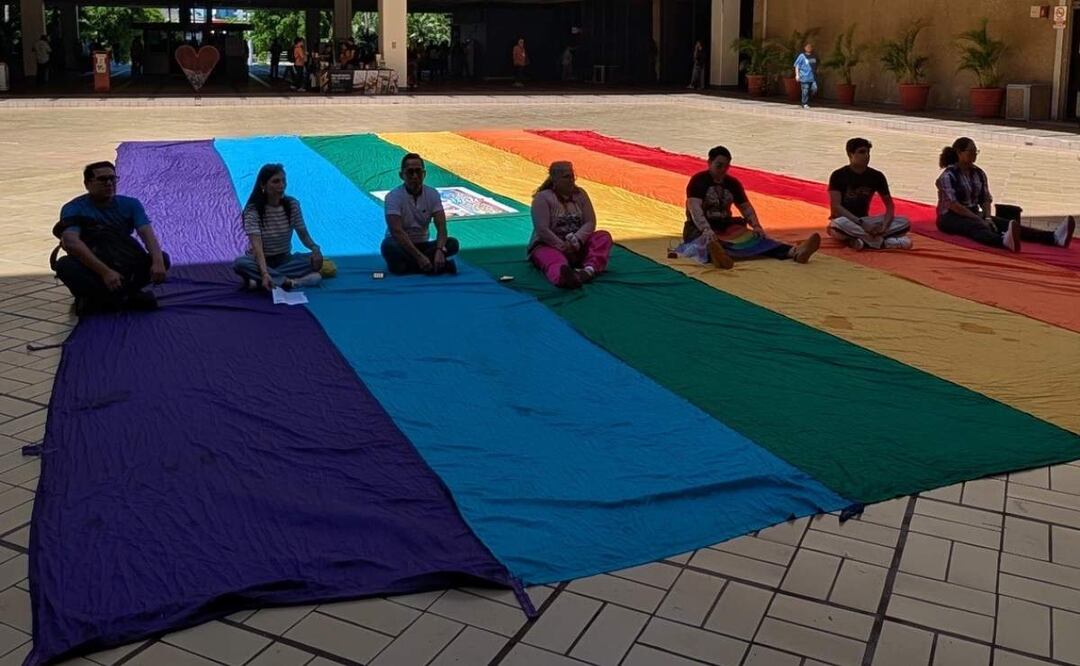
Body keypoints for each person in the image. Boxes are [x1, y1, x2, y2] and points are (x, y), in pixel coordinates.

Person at [52, 162, 170, 314]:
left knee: (163, 258)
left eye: (112, 179)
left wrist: (158, 262)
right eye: (102, 179)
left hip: (123, 261)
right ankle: (120, 297)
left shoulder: (130, 204)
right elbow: (71, 242)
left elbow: (147, 233)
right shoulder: (73, 208)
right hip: (92, 265)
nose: (109, 183)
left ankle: (108, 299)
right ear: (88, 184)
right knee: (64, 265)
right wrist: (105, 272)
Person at [685, 146, 821, 268]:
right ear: (709, 163)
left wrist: (756, 226)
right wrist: (706, 229)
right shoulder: (698, 181)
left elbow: (745, 207)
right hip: (699, 228)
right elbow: (694, 208)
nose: (723, 170)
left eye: (726, 166)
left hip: (726, 226)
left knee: (757, 239)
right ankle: (718, 257)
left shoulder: (733, 183)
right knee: (706, 242)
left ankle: (794, 252)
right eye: (719, 166)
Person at [936, 137, 1074, 252]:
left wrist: (988, 217)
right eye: (971, 151)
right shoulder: (948, 176)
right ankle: (1002, 241)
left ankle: (1053, 237)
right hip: (950, 216)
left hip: (973, 212)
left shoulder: (978, 173)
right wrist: (979, 219)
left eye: (976, 151)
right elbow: (954, 205)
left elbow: (985, 199)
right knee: (975, 227)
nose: (975, 154)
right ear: (959, 153)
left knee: (1006, 224)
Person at [233, 164, 323, 291]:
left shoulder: (292, 205)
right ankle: (290, 282)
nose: (281, 185)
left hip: (284, 259)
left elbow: (304, 235)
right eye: (276, 181)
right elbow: (257, 248)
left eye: (283, 181)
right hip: (260, 260)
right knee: (240, 264)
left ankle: (259, 280)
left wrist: (315, 250)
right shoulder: (253, 210)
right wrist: (264, 272)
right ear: (263, 185)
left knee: (313, 261)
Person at [529, 161, 612, 289]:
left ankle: (588, 270)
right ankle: (563, 277)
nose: (571, 180)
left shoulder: (581, 194)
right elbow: (542, 230)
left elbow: (590, 222)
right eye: (566, 177)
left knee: (603, 237)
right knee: (554, 261)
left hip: (577, 246)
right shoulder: (542, 198)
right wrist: (562, 246)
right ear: (555, 180)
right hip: (548, 245)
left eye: (572, 176)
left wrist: (577, 240)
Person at [827, 138, 913, 250]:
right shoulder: (838, 175)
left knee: (904, 222)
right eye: (862, 152)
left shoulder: (877, 176)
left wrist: (884, 225)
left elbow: (889, 206)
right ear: (850, 154)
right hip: (847, 221)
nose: (866, 156)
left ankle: (862, 241)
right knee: (837, 226)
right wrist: (862, 224)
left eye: (868, 152)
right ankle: (883, 243)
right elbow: (836, 206)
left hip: (866, 220)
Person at [381, 153, 459, 275]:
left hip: (423, 244)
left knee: (452, 243)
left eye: (418, 171)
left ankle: (411, 267)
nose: (415, 176)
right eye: (410, 172)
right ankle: (435, 265)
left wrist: (440, 250)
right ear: (402, 175)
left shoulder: (432, 194)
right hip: (401, 245)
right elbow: (397, 232)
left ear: (424, 174)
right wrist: (419, 257)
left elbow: (442, 228)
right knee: (389, 247)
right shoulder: (393, 197)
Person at [794, 42, 817, 109]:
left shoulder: (814, 56)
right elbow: (797, 65)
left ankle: (807, 100)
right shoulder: (802, 56)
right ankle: (804, 103)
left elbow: (815, 65)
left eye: (810, 47)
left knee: (814, 89)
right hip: (804, 76)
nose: (809, 48)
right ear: (805, 48)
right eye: (807, 47)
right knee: (805, 90)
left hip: (812, 77)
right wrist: (797, 75)